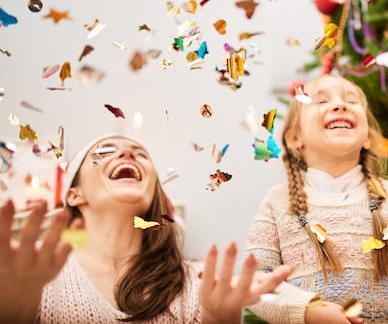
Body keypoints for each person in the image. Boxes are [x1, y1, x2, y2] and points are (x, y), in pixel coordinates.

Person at [0, 134, 292, 323]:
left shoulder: (195, 283)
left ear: (153, 191)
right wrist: (14, 307)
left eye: (139, 153)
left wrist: (220, 316)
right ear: (75, 195)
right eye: (104, 151)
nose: (127, 152)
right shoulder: (34, 271)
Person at [245, 74, 388, 324]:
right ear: (296, 138)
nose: (340, 105)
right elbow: (256, 279)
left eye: (351, 101)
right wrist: (308, 310)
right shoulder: (277, 201)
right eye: (322, 101)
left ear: (368, 136)